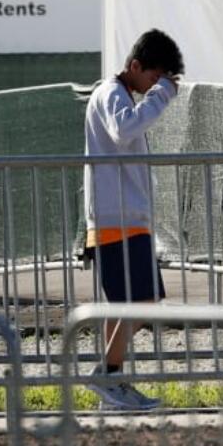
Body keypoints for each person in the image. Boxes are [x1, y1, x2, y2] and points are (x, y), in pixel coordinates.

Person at [82, 28, 183, 410]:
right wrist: (161, 95)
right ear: (136, 66)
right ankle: (108, 376)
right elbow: (124, 130)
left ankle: (112, 381)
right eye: (153, 78)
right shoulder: (111, 93)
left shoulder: (117, 94)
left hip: (124, 216)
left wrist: (155, 92)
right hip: (116, 219)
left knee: (128, 303)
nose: (156, 87)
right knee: (141, 303)